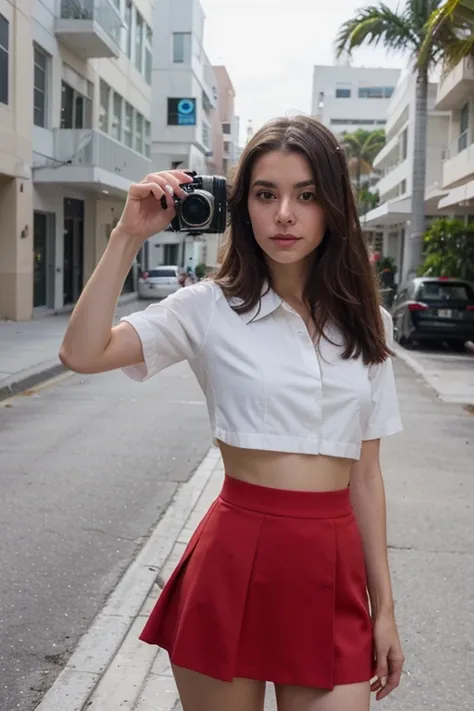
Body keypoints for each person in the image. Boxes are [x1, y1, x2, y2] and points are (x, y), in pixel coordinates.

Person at [59, 115, 405, 711]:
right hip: (234, 557)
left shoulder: (367, 324)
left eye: (306, 195)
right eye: (266, 195)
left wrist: (386, 611)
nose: (285, 215)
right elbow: (82, 352)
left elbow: (367, 478)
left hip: (331, 568)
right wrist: (126, 236)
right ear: (243, 208)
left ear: (333, 208)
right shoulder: (207, 308)